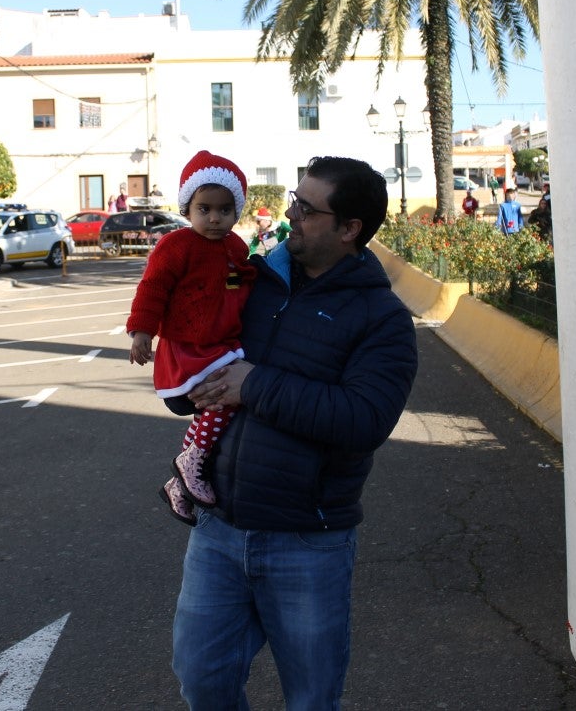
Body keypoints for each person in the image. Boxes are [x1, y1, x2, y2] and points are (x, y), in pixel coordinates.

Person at [172, 156, 418, 709]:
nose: (291, 214)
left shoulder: (382, 319)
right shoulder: (255, 281)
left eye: (307, 209)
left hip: (308, 540)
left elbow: (364, 420)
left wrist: (252, 385)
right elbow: (206, 347)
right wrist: (187, 387)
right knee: (202, 680)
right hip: (218, 530)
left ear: (350, 229)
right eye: (293, 199)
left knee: (310, 697)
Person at [127, 151, 256, 526]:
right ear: (187, 210)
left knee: (220, 402)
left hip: (221, 343)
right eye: (204, 209)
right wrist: (142, 332)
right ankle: (192, 460)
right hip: (189, 346)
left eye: (225, 210)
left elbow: (242, 281)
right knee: (224, 401)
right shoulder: (175, 246)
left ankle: (179, 483)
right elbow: (152, 289)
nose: (215, 218)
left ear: (237, 211)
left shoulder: (236, 248)